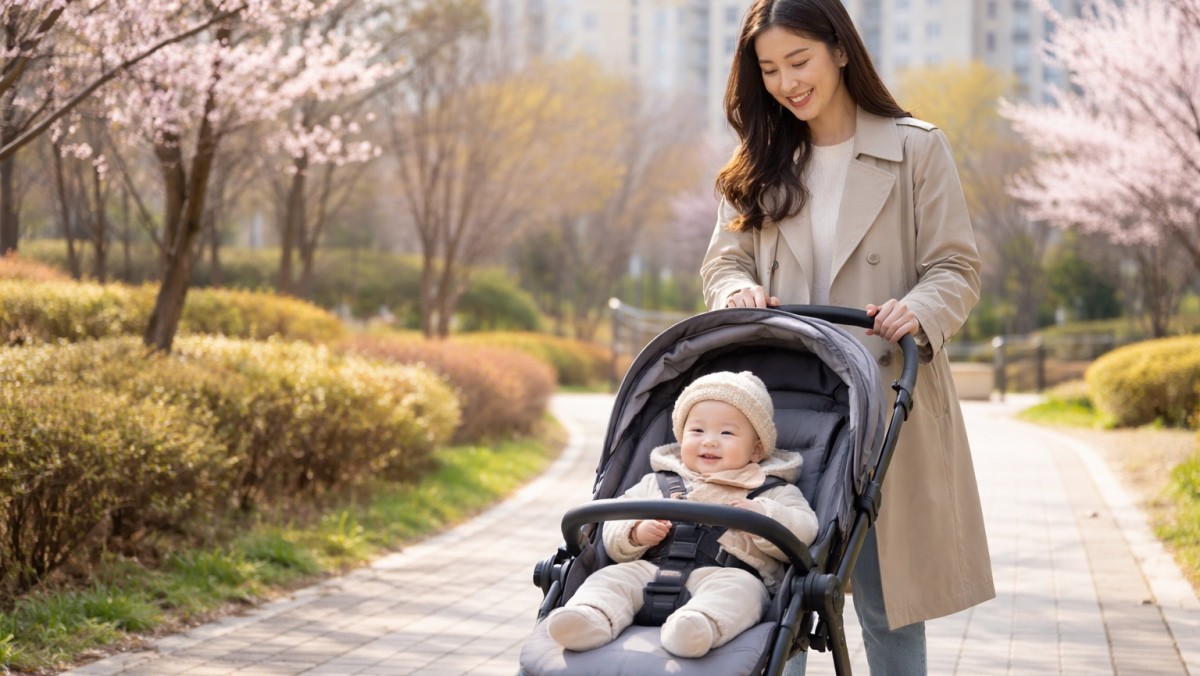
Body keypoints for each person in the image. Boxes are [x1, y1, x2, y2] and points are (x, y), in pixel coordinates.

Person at [701, 1, 996, 674]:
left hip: (889, 402)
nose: (785, 83)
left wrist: (919, 309)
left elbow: (956, 265)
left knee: (891, 611)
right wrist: (734, 292)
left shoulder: (915, 147)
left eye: (798, 61)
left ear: (839, 49)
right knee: (778, 600)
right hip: (790, 411)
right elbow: (725, 260)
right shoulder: (759, 159)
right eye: (769, 69)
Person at [545, 370, 819, 658]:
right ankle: (590, 616)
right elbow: (612, 528)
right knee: (610, 579)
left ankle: (698, 627)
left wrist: (762, 515)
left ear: (757, 449)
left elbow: (804, 531)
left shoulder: (770, 489)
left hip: (727, 573)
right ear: (680, 436)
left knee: (743, 593)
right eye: (697, 431)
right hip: (649, 569)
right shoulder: (656, 482)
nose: (710, 441)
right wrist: (636, 532)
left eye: (726, 433)